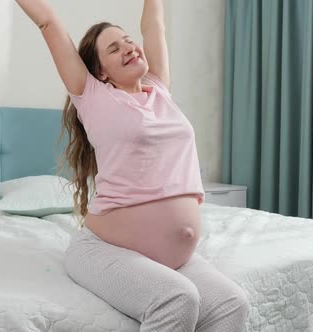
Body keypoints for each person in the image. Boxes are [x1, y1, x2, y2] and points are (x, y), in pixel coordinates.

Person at [14, 0, 249, 330]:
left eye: (128, 40)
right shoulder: (93, 96)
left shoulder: (160, 91)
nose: (128, 47)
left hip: (172, 258)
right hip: (104, 251)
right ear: (101, 72)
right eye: (113, 48)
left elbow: (154, 24)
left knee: (232, 304)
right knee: (177, 299)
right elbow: (48, 23)